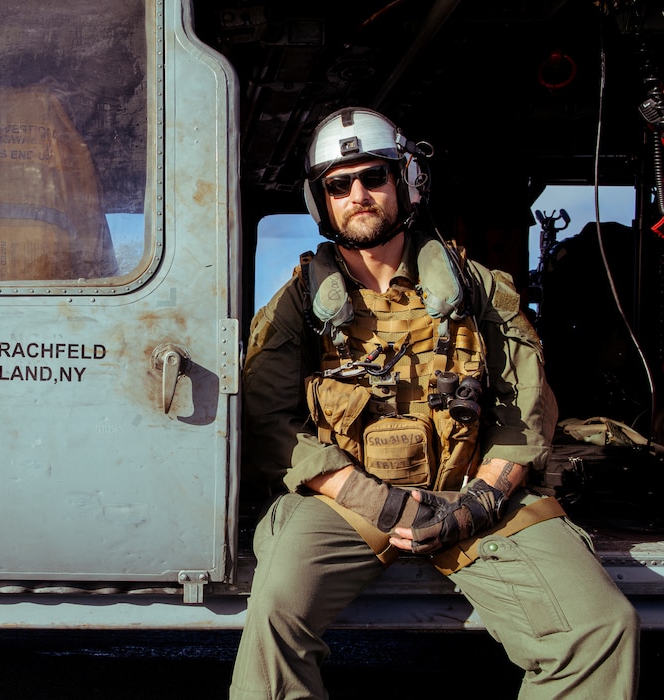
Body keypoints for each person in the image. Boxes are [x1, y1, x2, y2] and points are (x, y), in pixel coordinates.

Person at [229, 107, 640, 699]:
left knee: (601, 629)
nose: (359, 195)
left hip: (474, 489)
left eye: (374, 177)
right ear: (322, 202)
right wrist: (382, 503)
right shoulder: (296, 306)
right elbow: (273, 426)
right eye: (339, 185)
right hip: (350, 500)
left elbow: (525, 407)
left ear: (405, 182)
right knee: (272, 621)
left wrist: (476, 503)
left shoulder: (480, 290)